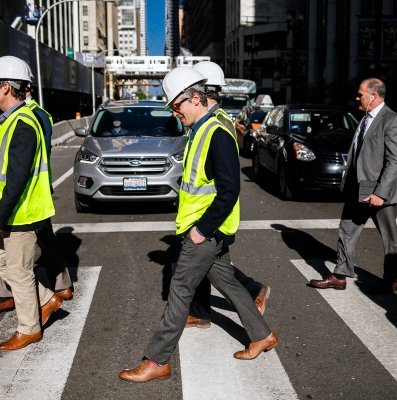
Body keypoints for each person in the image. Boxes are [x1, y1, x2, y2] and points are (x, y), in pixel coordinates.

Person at [119, 67, 279, 383]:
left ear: (195, 98)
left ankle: (156, 360)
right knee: (229, 283)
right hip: (203, 229)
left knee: (179, 289)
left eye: (177, 106)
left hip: (204, 231)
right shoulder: (201, 128)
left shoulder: (216, 132)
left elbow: (230, 188)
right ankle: (262, 335)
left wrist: (203, 229)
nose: (175, 113)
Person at [0, 55, 64, 351]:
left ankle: (29, 329)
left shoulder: (23, 124)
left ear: (5, 87)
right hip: (13, 211)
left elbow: (17, 179)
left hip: (21, 213)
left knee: (18, 271)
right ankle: (46, 298)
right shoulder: (12, 121)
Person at [184, 60, 271, 329]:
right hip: (203, 210)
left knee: (211, 269)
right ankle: (202, 312)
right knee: (211, 268)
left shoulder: (217, 123)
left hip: (215, 213)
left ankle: (255, 295)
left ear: (202, 90)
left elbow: (227, 181)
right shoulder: (205, 120)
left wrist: (209, 221)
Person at [309, 77, 397, 293]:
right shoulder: (364, 119)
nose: (357, 97)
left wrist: (380, 193)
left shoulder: (393, 120)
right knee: (347, 230)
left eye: (360, 93)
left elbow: (395, 161)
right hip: (359, 188)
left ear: (373, 96)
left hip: (381, 190)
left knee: (389, 237)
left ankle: (391, 279)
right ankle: (340, 275)